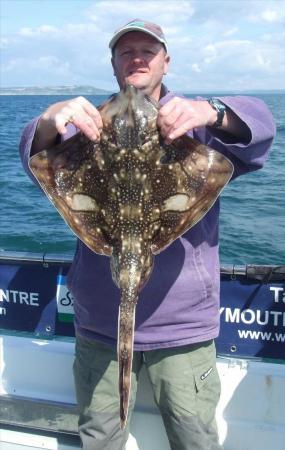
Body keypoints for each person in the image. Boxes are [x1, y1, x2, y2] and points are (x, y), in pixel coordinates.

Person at [20, 19, 275, 450]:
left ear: (166, 61)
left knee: (193, 437)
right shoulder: (87, 125)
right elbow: (35, 152)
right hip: (101, 323)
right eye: (126, 52)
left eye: (148, 51)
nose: (137, 58)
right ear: (114, 63)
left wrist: (211, 111)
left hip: (183, 328)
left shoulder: (193, 122)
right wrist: (49, 117)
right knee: (100, 437)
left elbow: (262, 130)